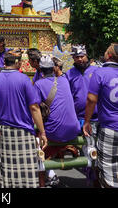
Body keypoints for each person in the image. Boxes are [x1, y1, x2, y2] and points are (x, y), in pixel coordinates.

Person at [0, 51, 47, 188]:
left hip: (5, 131)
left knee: (8, 170)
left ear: (4, 63)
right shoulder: (25, 80)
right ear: (18, 63)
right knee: (27, 171)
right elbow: (34, 108)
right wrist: (42, 132)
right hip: (25, 131)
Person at [34, 55, 80, 187]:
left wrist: (42, 131)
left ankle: (42, 183)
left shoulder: (38, 84)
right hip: (74, 129)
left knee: (38, 147)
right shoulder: (64, 80)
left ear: (41, 70)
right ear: (53, 69)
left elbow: (34, 107)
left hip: (56, 132)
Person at [83, 43, 118, 188]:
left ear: (108, 56)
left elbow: (91, 100)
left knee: (108, 168)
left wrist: (87, 121)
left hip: (109, 126)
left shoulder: (100, 73)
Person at [65, 45, 98, 132]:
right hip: (78, 117)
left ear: (86, 56)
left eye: (82, 56)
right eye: (77, 57)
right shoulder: (69, 74)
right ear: (73, 58)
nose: (80, 59)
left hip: (96, 117)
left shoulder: (96, 72)